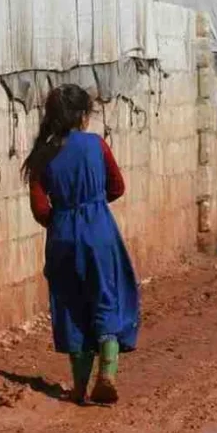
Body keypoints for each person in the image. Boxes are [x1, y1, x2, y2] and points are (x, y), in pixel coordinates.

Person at [23, 84, 140, 405]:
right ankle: (108, 373)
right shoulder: (95, 145)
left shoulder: (41, 156)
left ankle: (78, 388)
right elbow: (117, 187)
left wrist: (63, 221)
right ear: (83, 116)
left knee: (70, 305)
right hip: (99, 230)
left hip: (62, 236)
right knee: (107, 297)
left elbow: (40, 210)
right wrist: (93, 204)